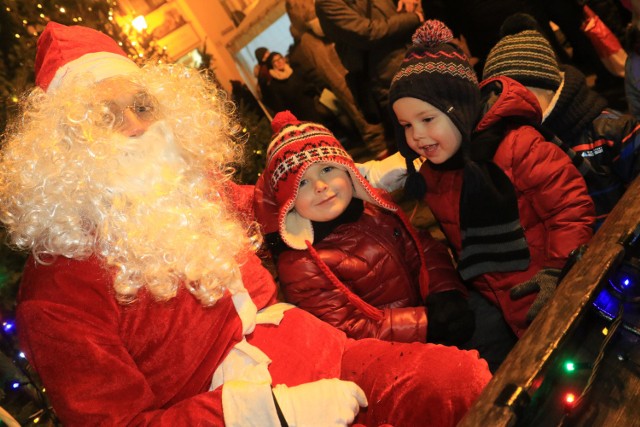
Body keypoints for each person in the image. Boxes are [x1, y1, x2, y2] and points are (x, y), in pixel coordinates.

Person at [0, 22, 491, 426]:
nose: (136, 126)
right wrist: (271, 412)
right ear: (63, 147)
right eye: (106, 116)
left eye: (143, 105)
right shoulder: (56, 295)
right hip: (235, 413)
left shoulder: (193, 188)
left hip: (318, 350)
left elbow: (278, 195)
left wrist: (363, 173)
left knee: (459, 384)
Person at [389, 20, 595, 347]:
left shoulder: (517, 146)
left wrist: (560, 271)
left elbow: (569, 208)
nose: (417, 136)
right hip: (511, 308)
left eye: (428, 119)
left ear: (462, 109)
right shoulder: (435, 175)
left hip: (562, 292)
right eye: (406, 125)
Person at [254, 110, 475, 346]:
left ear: (348, 171)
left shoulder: (374, 209)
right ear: (289, 201)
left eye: (327, 169)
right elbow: (350, 328)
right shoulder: (302, 264)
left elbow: (423, 248)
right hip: (397, 354)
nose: (320, 186)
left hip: (435, 318)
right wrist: (427, 325)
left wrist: (445, 293)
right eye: (302, 182)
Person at [483, 13, 640, 227]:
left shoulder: (610, 130)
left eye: (518, 96)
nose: (510, 109)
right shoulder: (511, 151)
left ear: (549, 89)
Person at [315, 0, 425, 156]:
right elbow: (368, 33)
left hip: (419, 63)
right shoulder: (327, 4)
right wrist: (414, 18)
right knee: (420, 146)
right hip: (389, 82)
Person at [285, 0, 388, 157]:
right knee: (368, 123)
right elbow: (332, 73)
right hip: (353, 86)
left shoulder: (320, 31)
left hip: (360, 82)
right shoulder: (311, 38)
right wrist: (352, 93)